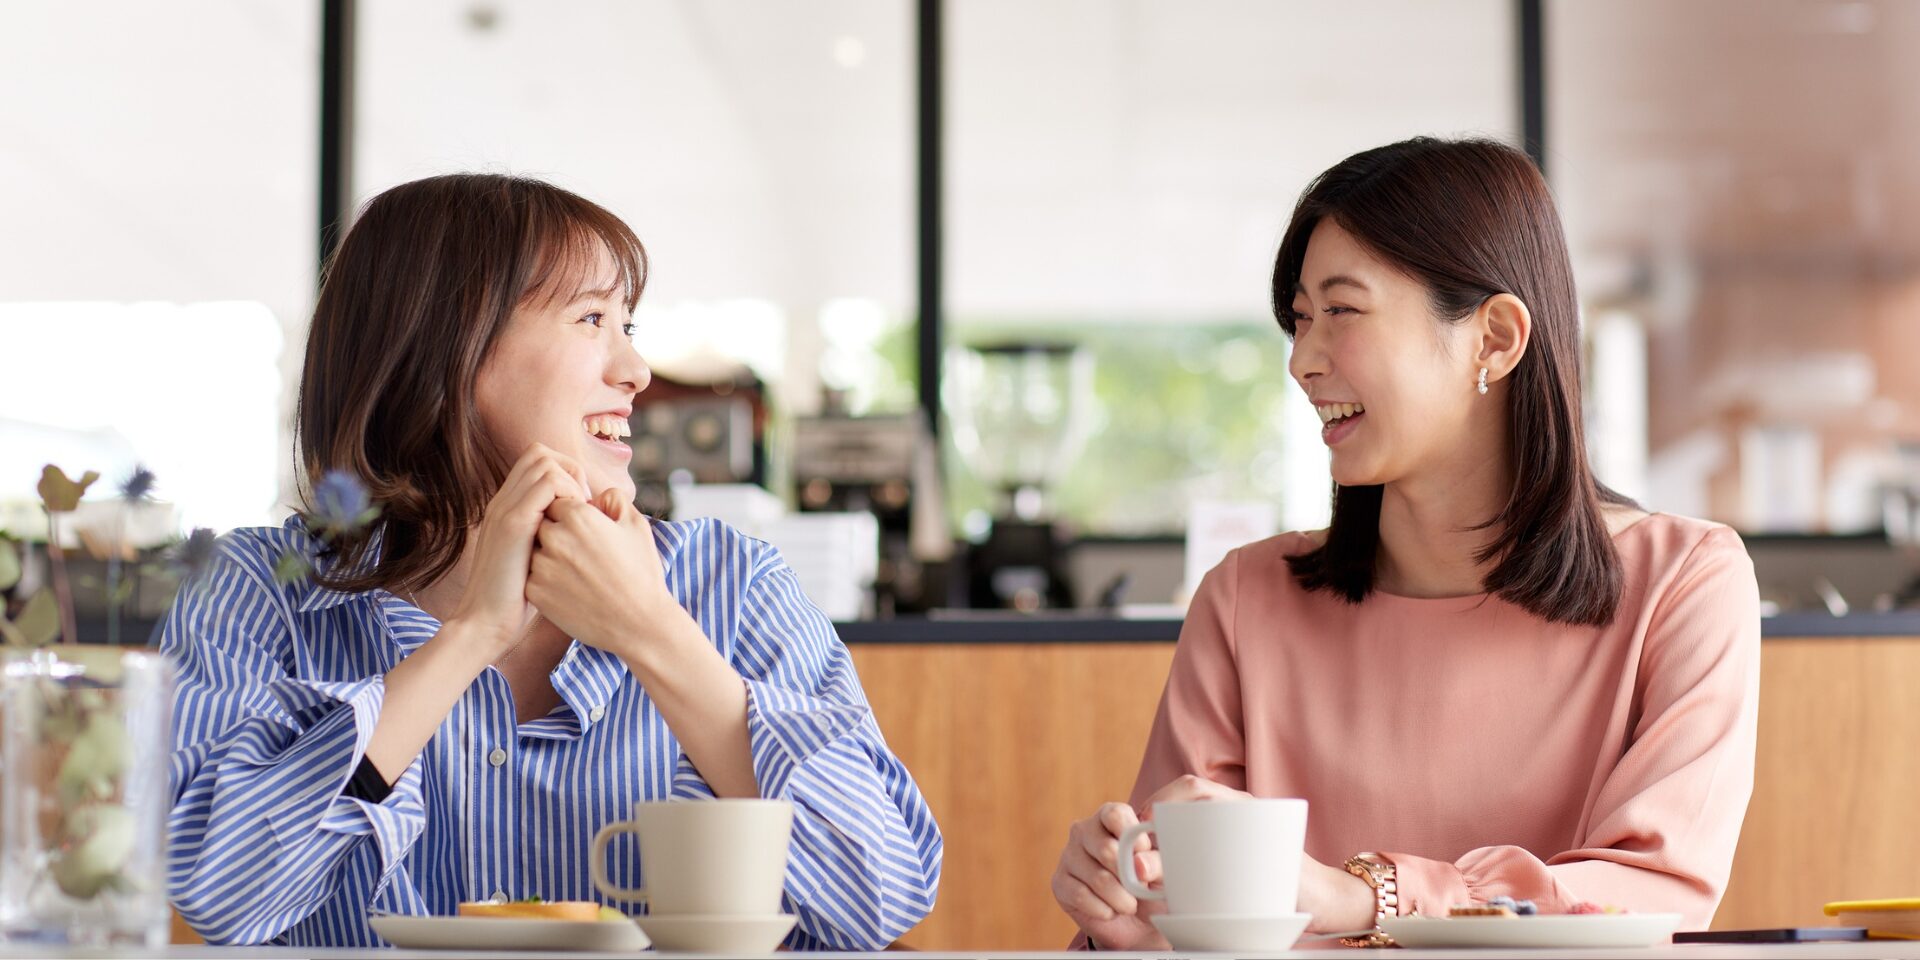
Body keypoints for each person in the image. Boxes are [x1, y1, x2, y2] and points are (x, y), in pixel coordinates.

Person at [162, 174, 941, 948]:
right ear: (448, 348)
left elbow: (879, 896)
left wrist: (652, 630)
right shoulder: (259, 593)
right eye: (592, 319)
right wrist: (471, 635)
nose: (636, 372)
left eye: (627, 324)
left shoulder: (732, 586)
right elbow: (227, 895)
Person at [1050, 137, 1760, 948]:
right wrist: (1117, 915)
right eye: (1299, 320)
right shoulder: (1246, 599)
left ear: (1494, 339)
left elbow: (1652, 895)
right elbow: (1190, 927)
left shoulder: (1684, 584)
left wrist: (1364, 896)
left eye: (1342, 312)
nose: (1301, 362)